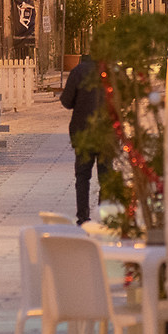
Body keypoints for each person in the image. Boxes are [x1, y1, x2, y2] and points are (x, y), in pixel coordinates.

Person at [59, 52, 106, 223]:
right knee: (106, 176)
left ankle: (83, 216)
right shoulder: (112, 71)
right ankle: (104, 215)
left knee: (82, 175)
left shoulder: (78, 72)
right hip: (107, 133)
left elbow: (66, 102)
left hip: (83, 132)